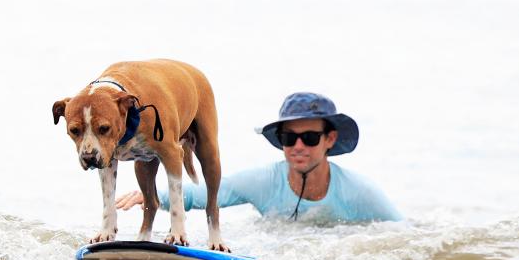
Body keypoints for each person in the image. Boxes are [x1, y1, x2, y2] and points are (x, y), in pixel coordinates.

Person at [116, 92, 402, 223]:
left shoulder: (360, 193)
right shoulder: (265, 181)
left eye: (310, 137)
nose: (298, 146)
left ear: (330, 139)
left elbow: (404, 237)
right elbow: (212, 193)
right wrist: (152, 195)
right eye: (289, 138)